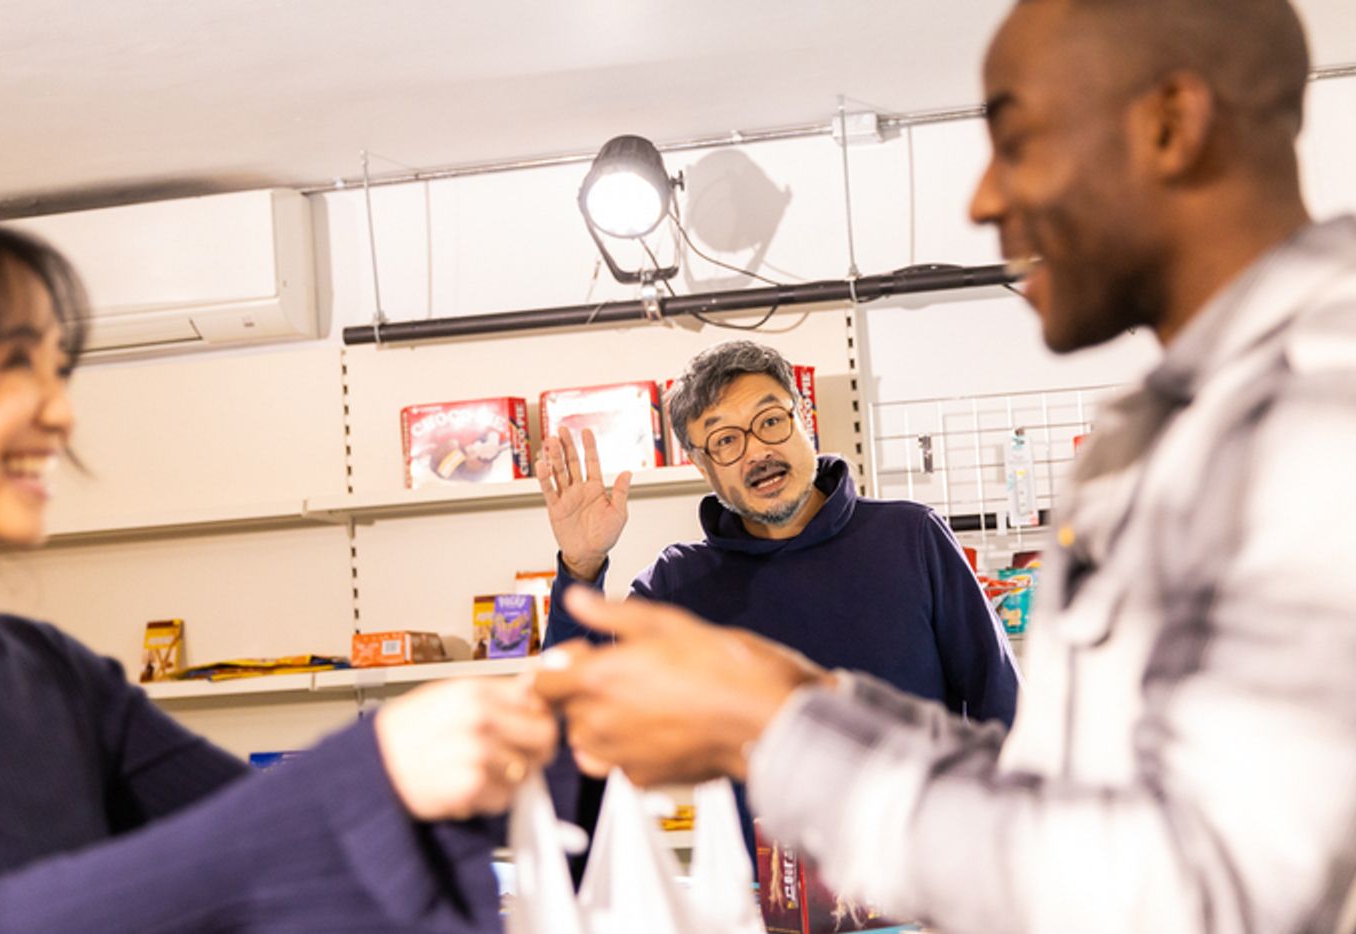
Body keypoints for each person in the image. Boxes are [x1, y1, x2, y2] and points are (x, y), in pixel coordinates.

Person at [536, 0, 1356, 931]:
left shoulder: (1322, 416)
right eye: (724, 439)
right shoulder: (1168, 438)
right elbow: (1084, 820)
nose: (981, 202)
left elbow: (1200, 883)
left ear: (1171, 125)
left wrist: (791, 724)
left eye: (1021, 142)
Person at [0, 201, 556, 932]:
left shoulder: (46, 671)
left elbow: (270, 844)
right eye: (15, 364)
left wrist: (490, 752)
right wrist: (372, 770)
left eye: (57, 370)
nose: (60, 413)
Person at [535, 340, 1019, 855]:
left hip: (927, 885)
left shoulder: (911, 537)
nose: (757, 452)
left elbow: (1002, 703)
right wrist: (580, 566)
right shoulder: (678, 583)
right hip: (773, 903)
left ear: (803, 418)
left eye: (770, 421)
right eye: (725, 441)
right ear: (703, 467)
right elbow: (581, 717)